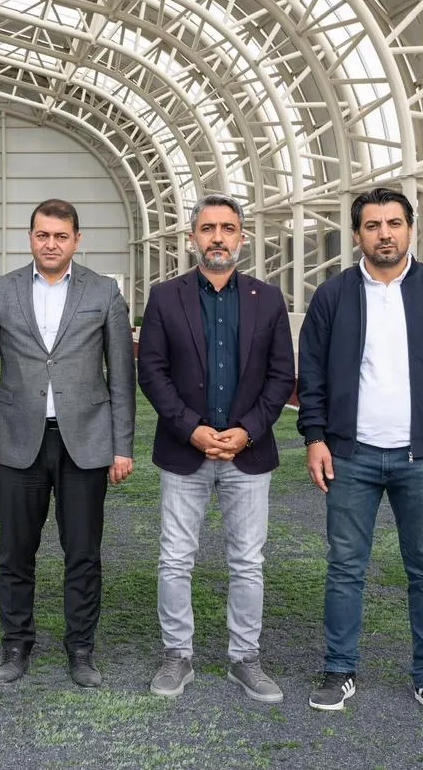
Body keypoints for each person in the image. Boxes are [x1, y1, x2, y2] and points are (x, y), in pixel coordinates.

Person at [299, 186, 423, 723]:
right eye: (373, 225)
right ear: (357, 234)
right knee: (345, 568)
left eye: (394, 223)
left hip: (422, 459)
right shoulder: (332, 296)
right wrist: (315, 437)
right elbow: (311, 376)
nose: (385, 234)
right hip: (350, 456)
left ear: (410, 229)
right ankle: (339, 669)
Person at [0, 198, 136, 688]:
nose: (51, 244)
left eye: (61, 236)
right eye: (42, 235)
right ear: (30, 238)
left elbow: (121, 376)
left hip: (85, 442)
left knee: (82, 554)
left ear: (76, 240)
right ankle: (16, 645)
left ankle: (81, 650)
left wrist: (122, 446)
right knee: (15, 553)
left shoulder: (103, 292)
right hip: (18, 442)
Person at [137, 194, 294, 703]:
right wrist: (192, 429)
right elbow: (152, 372)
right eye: (208, 229)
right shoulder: (165, 297)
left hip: (248, 453)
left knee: (247, 561)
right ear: (192, 238)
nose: (218, 237)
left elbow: (281, 376)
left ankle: (245, 658)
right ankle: (176, 655)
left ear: (242, 238)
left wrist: (247, 430)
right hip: (186, 452)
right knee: (175, 558)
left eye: (228, 228)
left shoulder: (268, 299)